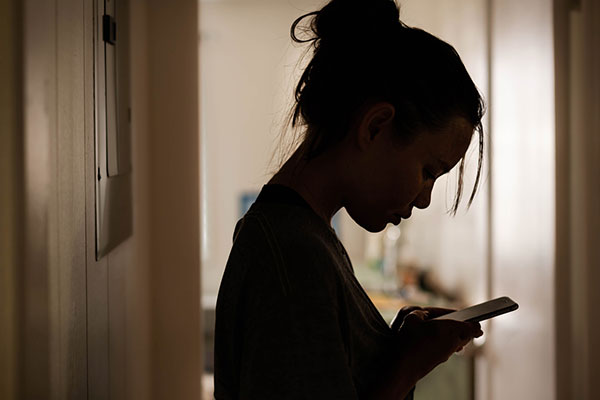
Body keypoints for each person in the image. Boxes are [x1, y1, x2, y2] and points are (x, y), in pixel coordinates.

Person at [214, 0, 485, 398]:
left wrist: (398, 347)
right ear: (375, 127)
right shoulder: (294, 255)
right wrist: (407, 367)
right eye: (428, 171)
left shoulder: (305, 237)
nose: (425, 199)